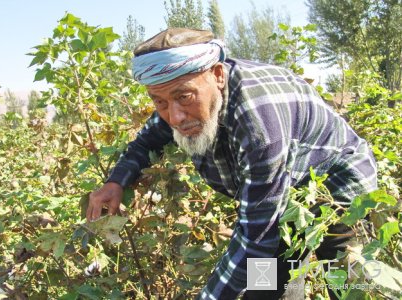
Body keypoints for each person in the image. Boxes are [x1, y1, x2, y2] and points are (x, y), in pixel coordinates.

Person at [86, 28, 377, 299]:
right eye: (159, 102)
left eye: (183, 97)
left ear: (217, 75)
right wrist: (116, 181)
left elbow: (255, 240)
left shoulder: (259, 125)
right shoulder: (177, 95)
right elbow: (146, 141)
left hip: (337, 187)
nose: (174, 117)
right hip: (283, 193)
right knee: (265, 287)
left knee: (342, 278)